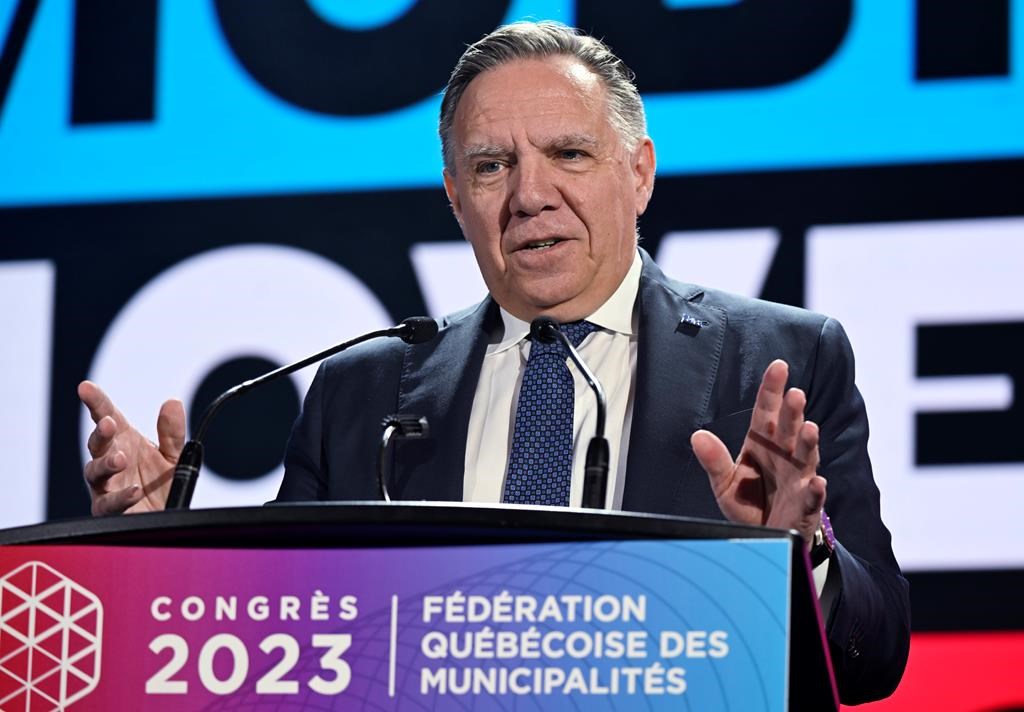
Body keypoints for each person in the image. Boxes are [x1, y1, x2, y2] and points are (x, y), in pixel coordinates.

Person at [79, 21, 909, 703]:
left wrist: (803, 553)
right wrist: (168, 552)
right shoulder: (358, 390)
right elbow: (286, 648)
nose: (529, 195)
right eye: (490, 166)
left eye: (569, 155)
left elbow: (876, 662)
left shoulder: (785, 357)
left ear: (640, 172)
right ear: (454, 196)